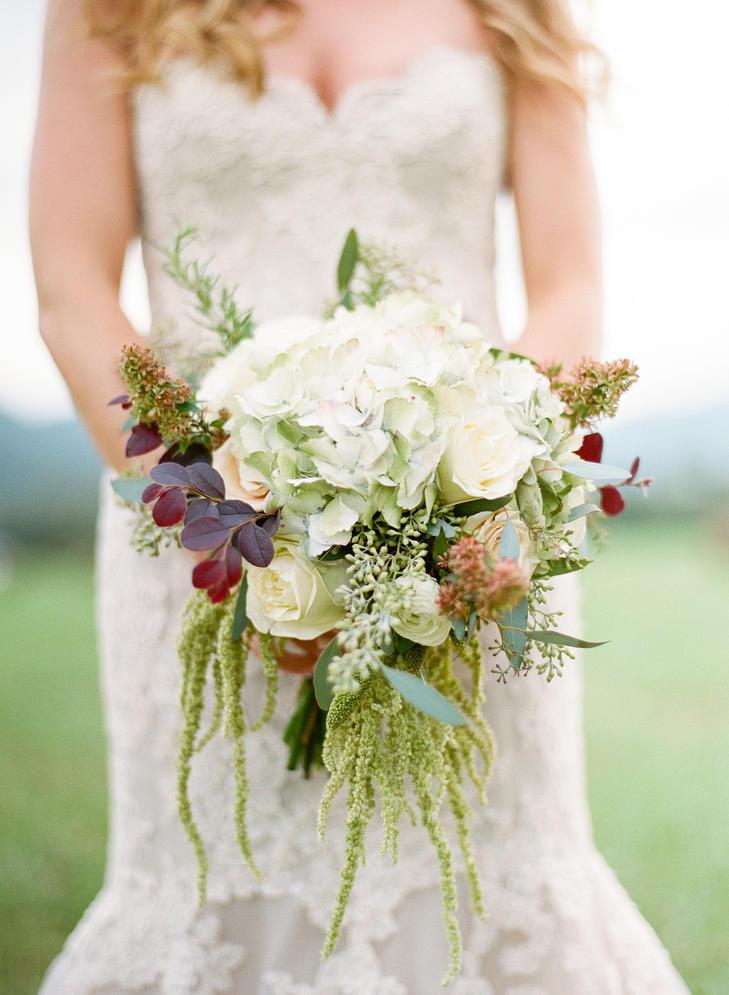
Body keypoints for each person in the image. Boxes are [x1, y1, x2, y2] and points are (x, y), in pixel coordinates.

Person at [30, 1, 690, 992]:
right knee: (219, 888)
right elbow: (73, 284)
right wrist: (227, 517)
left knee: (483, 888)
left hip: (481, 547)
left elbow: (568, 289)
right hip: (198, 550)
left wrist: (473, 522)